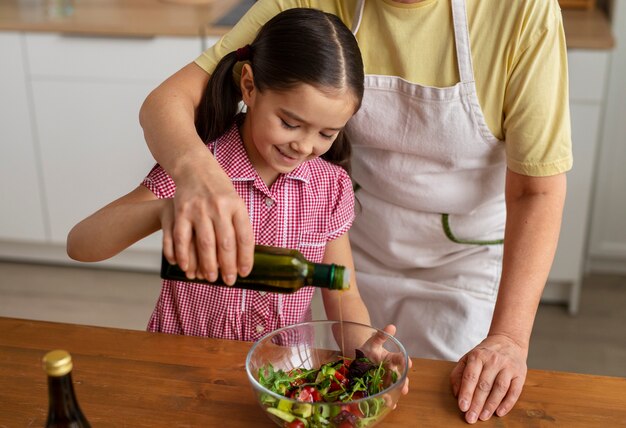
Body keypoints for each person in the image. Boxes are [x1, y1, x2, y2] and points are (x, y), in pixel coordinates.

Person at [138, 0, 571, 424]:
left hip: (460, 268)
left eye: (326, 132)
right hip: (353, 249)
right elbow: (167, 102)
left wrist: (508, 338)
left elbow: (536, 191)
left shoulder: (522, 11)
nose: (306, 142)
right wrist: (200, 179)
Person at [67, 8, 376, 344]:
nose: (304, 146)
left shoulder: (330, 188)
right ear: (249, 87)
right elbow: (81, 245)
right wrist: (164, 210)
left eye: (326, 134)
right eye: (289, 124)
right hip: (183, 361)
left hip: (281, 374)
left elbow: (344, 296)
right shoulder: (200, 170)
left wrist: (367, 355)